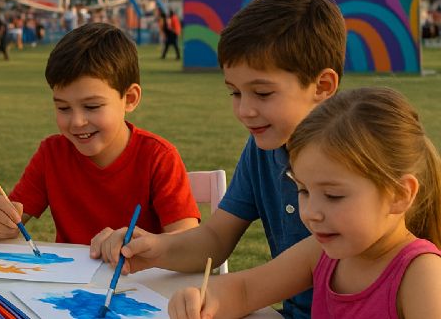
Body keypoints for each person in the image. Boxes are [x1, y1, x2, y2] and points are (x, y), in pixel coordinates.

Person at [90, 0, 347, 319]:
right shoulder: (261, 151)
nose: (244, 110)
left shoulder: (360, 160)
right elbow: (215, 238)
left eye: (262, 93)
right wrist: (155, 248)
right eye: (235, 93)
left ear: (322, 86)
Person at [169, 87, 441, 319]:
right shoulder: (319, 253)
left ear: (399, 194)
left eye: (334, 196)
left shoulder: (422, 275)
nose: (311, 213)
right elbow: (245, 290)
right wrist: (202, 299)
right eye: (303, 190)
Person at [0, 22, 200, 245]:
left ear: (130, 98)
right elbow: (13, 218)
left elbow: (188, 244)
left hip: (137, 279)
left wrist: (144, 245)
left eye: (92, 107)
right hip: (70, 280)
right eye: (63, 108)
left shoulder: (158, 157)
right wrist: (0, 220)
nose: (77, 122)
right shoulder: (52, 154)